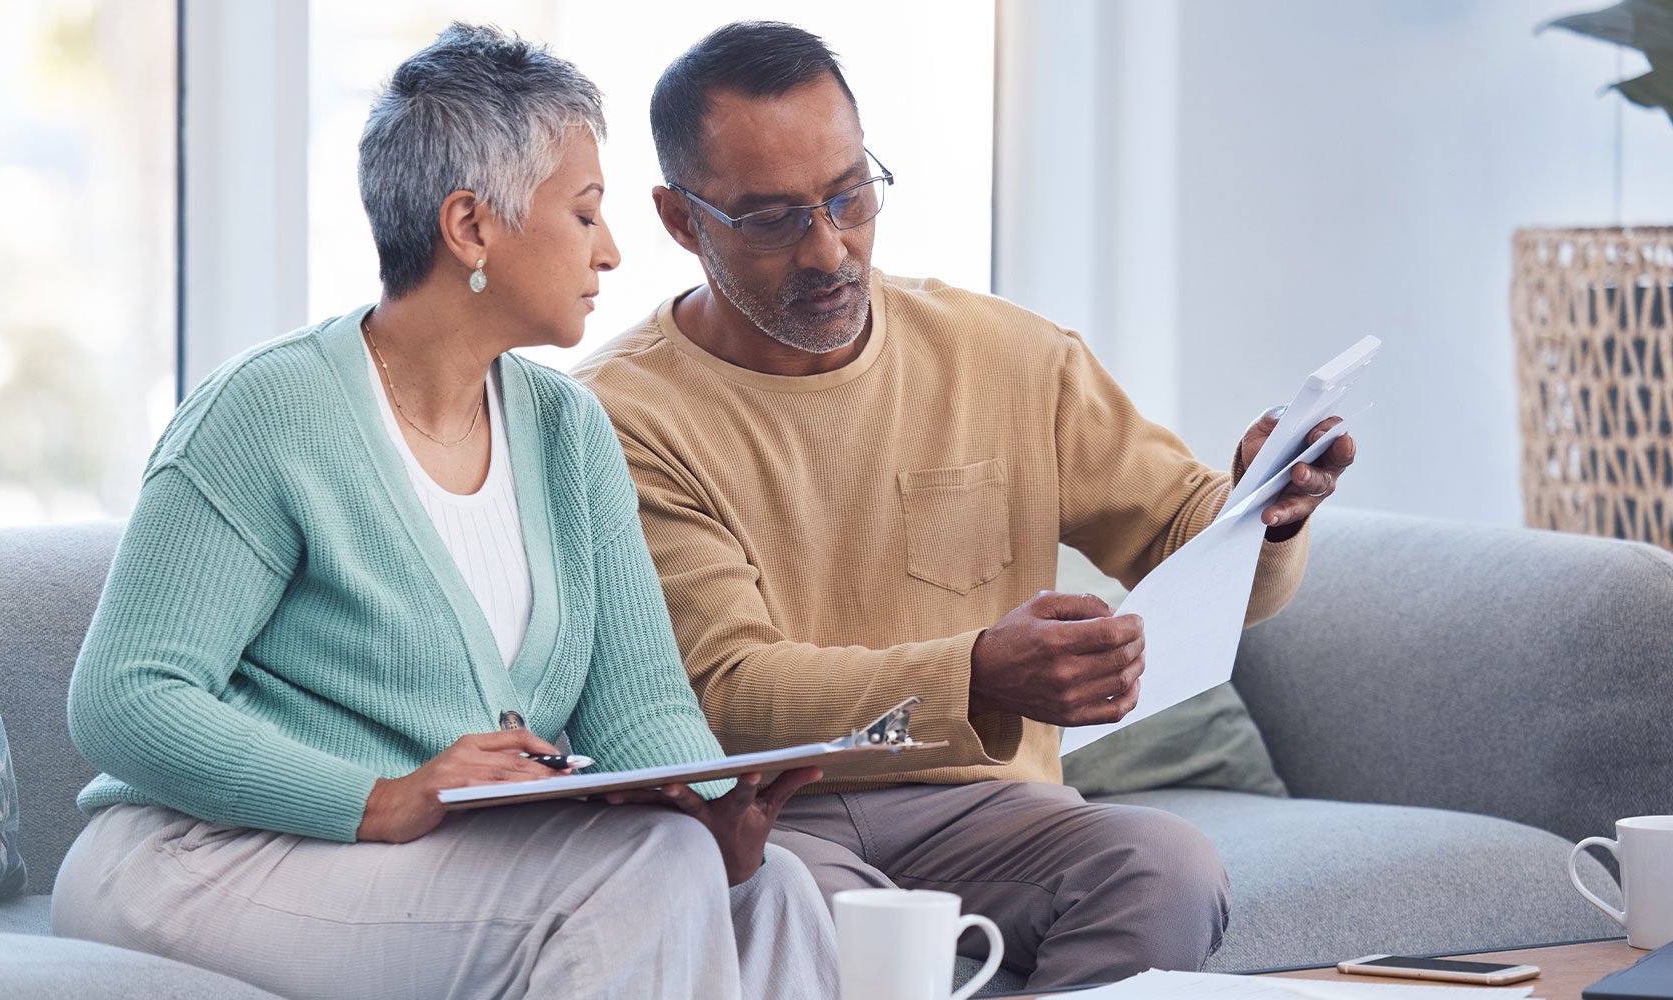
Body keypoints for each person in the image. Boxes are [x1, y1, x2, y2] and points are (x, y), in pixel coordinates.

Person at [50, 24, 836, 1000]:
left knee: (774, 890)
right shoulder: (268, 411)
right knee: (649, 870)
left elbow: (637, 707)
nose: (612, 251)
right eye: (584, 213)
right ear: (470, 227)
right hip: (204, 855)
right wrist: (380, 797)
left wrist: (716, 807)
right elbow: (126, 697)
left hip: (430, 862)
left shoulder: (567, 431)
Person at [574, 20, 1358, 990]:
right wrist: (978, 674)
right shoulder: (617, 416)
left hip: (988, 809)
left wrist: (1264, 510)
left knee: (1169, 868)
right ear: (680, 219)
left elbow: (1182, 536)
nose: (828, 249)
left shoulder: (1009, 356)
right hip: (773, 816)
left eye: (848, 194)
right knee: (791, 915)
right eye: (771, 219)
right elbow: (730, 694)